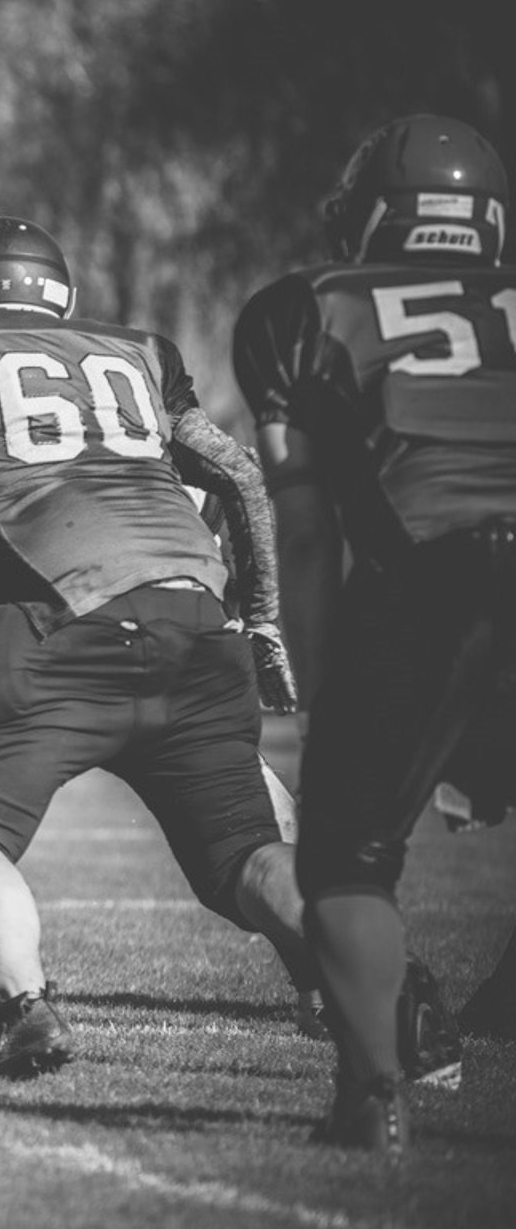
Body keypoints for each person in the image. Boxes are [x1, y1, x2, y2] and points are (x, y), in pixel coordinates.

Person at [0, 217, 307, 1078]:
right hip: (195, 618)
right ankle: (383, 984)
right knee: (247, 850)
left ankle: (22, 1011)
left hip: (53, 619)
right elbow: (240, 475)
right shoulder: (140, 352)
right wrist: (264, 617)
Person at [233, 114, 515, 1151]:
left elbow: (306, 531)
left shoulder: (306, 308)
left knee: (347, 860)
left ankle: (374, 1094)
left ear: (368, 216)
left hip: (436, 576)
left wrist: (321, 698)